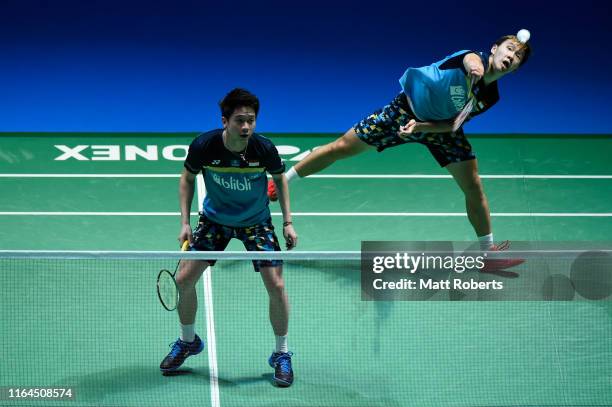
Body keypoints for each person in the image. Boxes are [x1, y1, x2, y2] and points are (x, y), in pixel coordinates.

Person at [268, 31, 533, 270]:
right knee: (340, 148)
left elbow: (453, 125)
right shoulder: (469, 57)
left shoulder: (491, 96)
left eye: (517, 56)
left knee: (473, 186)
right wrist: (474, 70)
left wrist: (421, 128)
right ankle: (281, 182)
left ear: (517, 68)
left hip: (434, 127)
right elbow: (471, 62)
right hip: (403, 111)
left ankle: (487, 255)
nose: (511, 56)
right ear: (495, 48)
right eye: (509, 49)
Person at [160, 88, 298, 387]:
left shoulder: (264, 149)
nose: (246, 127)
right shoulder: (205, 146)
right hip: (214, 221)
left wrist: (287, 222)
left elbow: (279, 180)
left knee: (276, 284)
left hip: (256, 223)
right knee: (184, 279)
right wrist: (184, 222)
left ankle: (282, 353)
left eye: (251, 120)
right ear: (225, 121)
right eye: (239, 121)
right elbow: (187, 178)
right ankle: (188, 341)